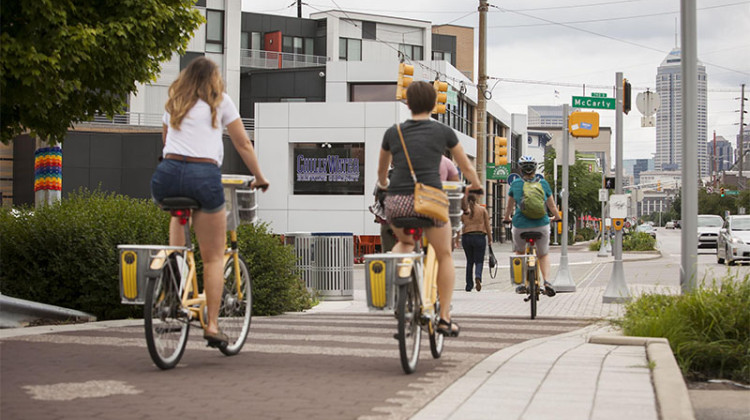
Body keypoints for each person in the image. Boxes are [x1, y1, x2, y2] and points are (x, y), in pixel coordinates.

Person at [151, 57, 269, 347]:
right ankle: (213, 325)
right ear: (214, 80)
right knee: (214, 256)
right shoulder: (221, 101)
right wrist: (259, 176)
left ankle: (176, 278)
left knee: (178, 218)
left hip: (167, 175)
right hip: (203, 176)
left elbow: (166, 144)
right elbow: (242, 143)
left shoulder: (174, 101)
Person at [376, 80, 481, 337]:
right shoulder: (443, 132)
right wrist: (476, 185)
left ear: (407, 103)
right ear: (434, 104)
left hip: (398, 202)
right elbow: (465, 167)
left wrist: (383, 184)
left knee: (404, 244)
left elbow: (381, 170)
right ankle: (444, 317)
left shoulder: (393, 132)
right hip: (431, 203)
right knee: (444, 254)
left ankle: (399, 289)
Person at [502, 155, 559, 296]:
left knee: (520, 253)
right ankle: (546, 282)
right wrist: (557, 217)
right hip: (541, 224)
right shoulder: (543, 184)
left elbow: (509, 207)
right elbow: (551, 205)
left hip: (520, 225)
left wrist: (507, 218)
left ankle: (521, 284)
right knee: (543, 254)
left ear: (521, 169)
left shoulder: (515, 184)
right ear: (535, 169)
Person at [460, 193, 492, 292]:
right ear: (476, 199)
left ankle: (469, 285)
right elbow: (487, 225)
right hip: (479, 236)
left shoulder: (464, 212)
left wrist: (456, 239)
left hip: (466, 237)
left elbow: (459, 225)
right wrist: (490, 239)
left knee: (469, 261)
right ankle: (478, 276)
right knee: (479, 261)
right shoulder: (482, 210)